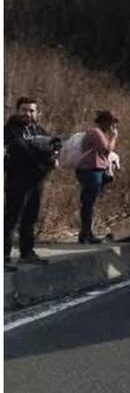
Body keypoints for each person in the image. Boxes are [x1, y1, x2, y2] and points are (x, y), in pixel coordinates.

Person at [4, 97, 58, 268]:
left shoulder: (38, 129)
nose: (28, 113)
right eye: (24, 110)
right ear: (18, 111)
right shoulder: (11, 130)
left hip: (37, 180)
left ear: (37, 112)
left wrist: (52, 155)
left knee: (30, 217)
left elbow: (54, 144)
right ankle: (3, 256)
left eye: (31, 110)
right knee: (12, 217)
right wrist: (44, 157)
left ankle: (27, 252)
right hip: (18, 179)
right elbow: (22, 150)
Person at [75, 111, 119, 244]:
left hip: (94, 170)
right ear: (105, 122)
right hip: (90, 170)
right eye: (112, 124)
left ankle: (87, 233)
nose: (113, 127)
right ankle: (85, 234)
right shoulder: (96, 133)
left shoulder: (99, 133)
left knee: (90, 203)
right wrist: (114, 137)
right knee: (88, 203)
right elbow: (107, 150)